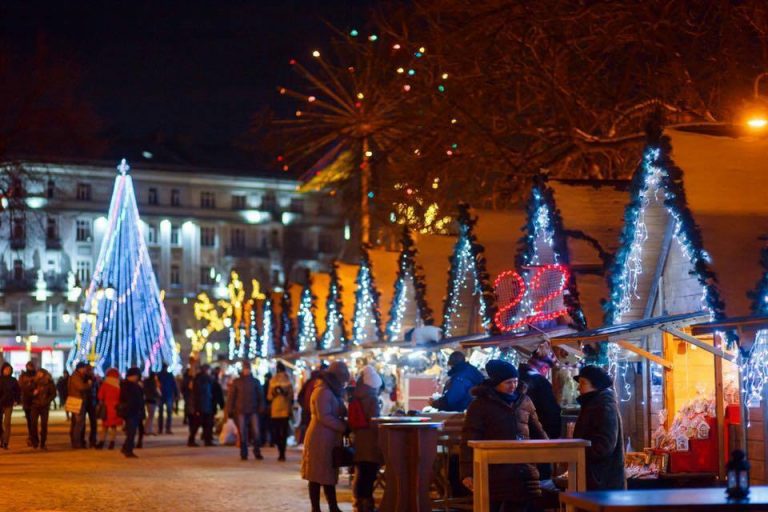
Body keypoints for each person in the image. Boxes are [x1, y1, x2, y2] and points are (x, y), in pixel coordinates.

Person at [461, 360, 548, 512]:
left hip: (524, 470)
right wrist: (467, 473)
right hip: (494, 472)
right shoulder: (480, 405)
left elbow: (538, 431)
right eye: (508, 382)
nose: (513, 386)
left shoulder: (525, 401)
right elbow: (469, 438)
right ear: (496, 382)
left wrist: (550, 455)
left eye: (515, 381)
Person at [301, 361, 350, 512]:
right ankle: (316, 508)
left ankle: (333, 506)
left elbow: (338, 411)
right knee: (316, 475)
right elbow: (324, 416)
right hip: (319, 437)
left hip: (328, 437)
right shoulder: (323, 391)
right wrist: (343, 427)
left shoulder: (331, 391)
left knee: (327, 473)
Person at [572, 365, 626, 491]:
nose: (579, 387)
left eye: (583, 383)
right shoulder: (593, 403)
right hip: (597, 479)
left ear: (596, 385)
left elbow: (604, 445)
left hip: (602, 481)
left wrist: (578, 453)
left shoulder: (604, 405)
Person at [519, 354, 561, 481]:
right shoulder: (541, 383)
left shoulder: (519, 379)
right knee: (541, 474)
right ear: (544, 368)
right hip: (539, 435)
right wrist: (553, 433)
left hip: (520, 438)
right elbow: (550, 411)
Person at [351, 365, 383, 512]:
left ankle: (359, 501)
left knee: (361, 472)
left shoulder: (357, 394)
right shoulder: (372, 398)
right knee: (369, 473)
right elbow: (374, 421)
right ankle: (367, 503)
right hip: (370, 441)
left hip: (359, 438)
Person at [227, 361, 265, 461]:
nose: (246, 370)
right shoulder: (238, 382)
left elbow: (260, 396)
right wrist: (229, 410)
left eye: (247, 368)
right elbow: (231, 397)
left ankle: (256, 451)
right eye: (245, 368)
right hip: (241, 410)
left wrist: (261, 407)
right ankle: (244, 452)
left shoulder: (255, 381)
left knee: (255, 431)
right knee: (243, 432)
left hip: (252, 409)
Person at [268, 361, 294, 461]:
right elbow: (291, 396)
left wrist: (275, 394)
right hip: (285, 410)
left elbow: (269, 397)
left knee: (278, 432)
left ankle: (281, 451)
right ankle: (282, 452)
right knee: (283, 432)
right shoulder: (288, 380)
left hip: (275, 411)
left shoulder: (273, 381)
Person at [119, 367, 145, 458]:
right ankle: (128, 450)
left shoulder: (132, 385)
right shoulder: (128, 385)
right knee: (131, 431)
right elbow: (132, 399)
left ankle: (126, 447)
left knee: (132, 431)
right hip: (131, 411)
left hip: (133, 411)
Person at [297, 364, 325, 444]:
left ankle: (307, 442)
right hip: (313, 411)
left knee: (308, 428)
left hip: (307, 410)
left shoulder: (309, 382)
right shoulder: (320, 384)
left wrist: (304, 405)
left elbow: (300, 396)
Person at [28, 368, 56, 450]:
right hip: (35, 405)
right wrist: (33, 393)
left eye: (41, 373)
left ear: (44, 374)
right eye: (38, 373)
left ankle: (43, 443)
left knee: (44, 425)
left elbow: (53, 393)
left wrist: (47, 401)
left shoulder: (49, 382)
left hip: (45, 406)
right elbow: (27, 391)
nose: (39, 374)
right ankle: (35, 441)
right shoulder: (34, 382)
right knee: (33, 424)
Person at [96, 368, 123, 450]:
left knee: (104, 427)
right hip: (116, 408)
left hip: (106, 408)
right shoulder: (119, 385)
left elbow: (100, 396)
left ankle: (101, 442)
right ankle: (112, 443)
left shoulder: (105, 385)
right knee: (113, 427)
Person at [189, 364, 215, 447]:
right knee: (200, 424)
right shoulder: (204, 379)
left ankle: (206, 440)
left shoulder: (198, 379)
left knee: (204, 424)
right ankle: (193, 440)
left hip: (202, 405)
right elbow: (203, 393)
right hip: (203, 405)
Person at [68, 362, 92, 449]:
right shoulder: (76, 376)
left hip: (77, 401)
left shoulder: (77, 376)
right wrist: (88, 384)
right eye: (84, 368)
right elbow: (81, 387)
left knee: (76, 423)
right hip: (77, 401)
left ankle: (76, 441)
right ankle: (76, 442)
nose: (85, 370)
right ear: (80, 368)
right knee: (78, 423)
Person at [0, 362, 20, 449]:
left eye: (9, 369)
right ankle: (1, 439)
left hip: (9, 403)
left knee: (7, 423)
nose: (7, 371)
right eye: (6, 369)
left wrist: (17, 400)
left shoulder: (13, 380)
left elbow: (18, 391)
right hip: (0, 403)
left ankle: (5, 442)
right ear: (2, 370)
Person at [19, 361, 37, 446]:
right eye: (29, 366)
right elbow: (21, 386)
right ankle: (31, 436)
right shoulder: (23, 375)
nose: (30, 368)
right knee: (29, 420)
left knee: (33, 420)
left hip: (35, 400)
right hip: (26, 400)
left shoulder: (37, 374)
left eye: (31, 366)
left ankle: (33, 437)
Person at [157, 363, 178, 434]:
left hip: (162, 396)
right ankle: (167, 428)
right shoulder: (169, 375)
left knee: (161, 413)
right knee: (168, 413)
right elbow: (174, 385)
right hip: (168, 395)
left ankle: (161, 429)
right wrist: (176, 394)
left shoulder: (159, 375)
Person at [83, 365, 99, 448]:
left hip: (92, 402)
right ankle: (85, 440)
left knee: (93, 423)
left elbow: (97, 390)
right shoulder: (83, 378)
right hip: (85, 401)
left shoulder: (94, 379)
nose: (91, 371)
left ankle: (93, 440)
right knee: (84, 423)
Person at [259, 371, 272, 447]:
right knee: (270, 426)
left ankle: (263, 441)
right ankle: (271, 441)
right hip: (270, 408)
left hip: (264, 408)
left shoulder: (263, 387)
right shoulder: (271, 386)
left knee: (264, 425)